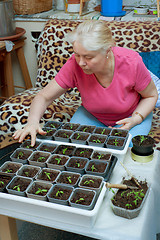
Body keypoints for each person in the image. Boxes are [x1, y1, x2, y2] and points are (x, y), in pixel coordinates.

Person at [13, 20, 158, 147]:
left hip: (132, 115)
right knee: (72, 144)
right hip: (93, 116)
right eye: (77, 54)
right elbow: (44, 97)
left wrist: (135, 119)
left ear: (108, 50)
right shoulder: (74, 64)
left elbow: (151, 96)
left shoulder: (132, 62)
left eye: (88, 57)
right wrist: (32, 122)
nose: (81, 63)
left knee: (127, 148)